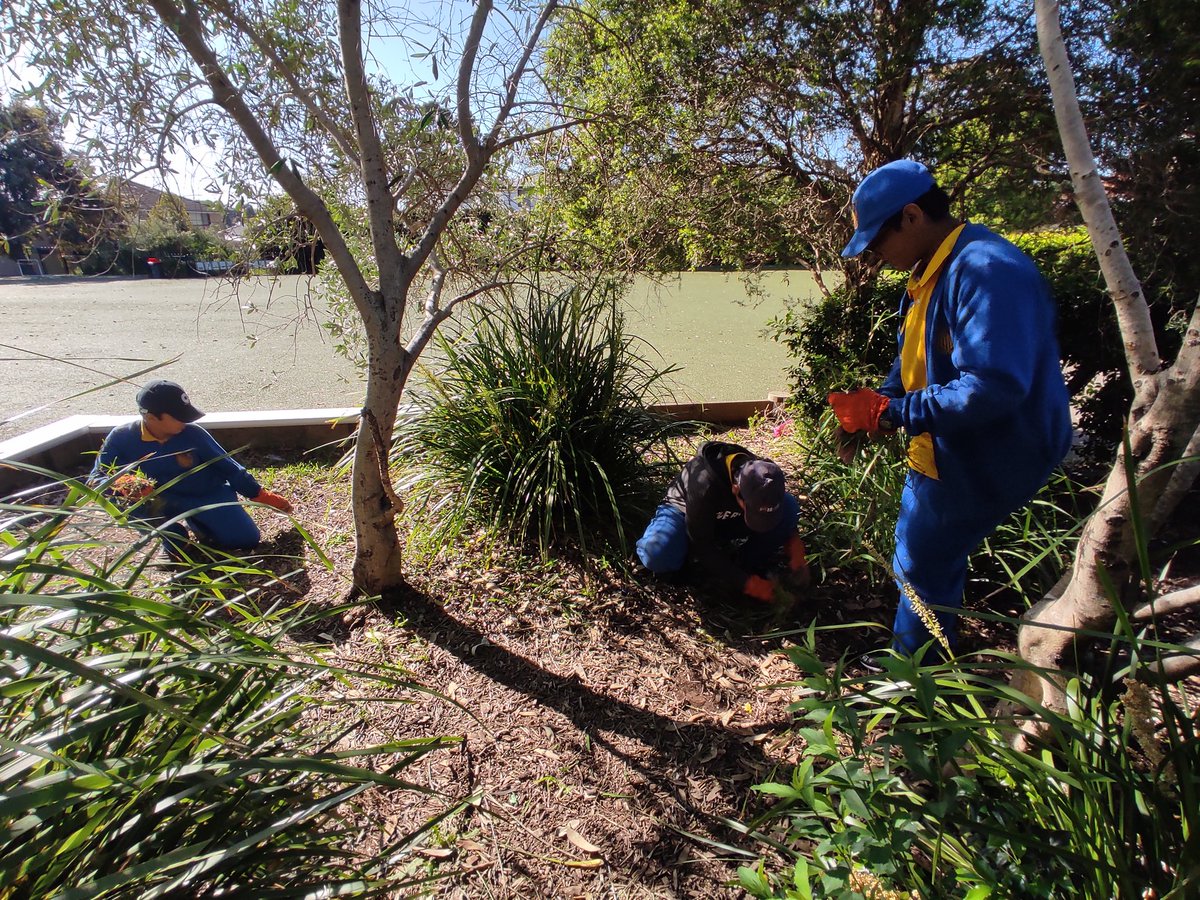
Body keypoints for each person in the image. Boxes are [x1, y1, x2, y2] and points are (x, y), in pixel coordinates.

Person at [830, 159, 1072, 660]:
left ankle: (914, 683)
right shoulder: (933, 268)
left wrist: (891, 415)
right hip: (948, 439)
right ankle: (921, 662)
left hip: (991, 448)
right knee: (923, 556)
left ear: (913, 215)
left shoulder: (986, 270)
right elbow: (914, 354)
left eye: (878, 241)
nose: (875, 254)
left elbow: (992, 387)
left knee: (922, 556)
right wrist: (881, 399)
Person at [90, 379, 293, 559]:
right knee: (124, 503)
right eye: (179, 416)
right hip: (162, 501)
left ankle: (201, 523)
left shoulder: (193, 434)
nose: (186, 421)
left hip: (206, 495)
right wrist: (124, 484)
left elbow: (229, 467)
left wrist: (258, 494)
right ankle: (172, 537)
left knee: (245, 539)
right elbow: (97, 478)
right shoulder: (121, 438)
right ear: (152, 418)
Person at [635, 440, 809, 603]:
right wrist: (747, 584)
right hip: (686, 516)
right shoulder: (703, 485)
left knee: (790, 507)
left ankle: (747, 561)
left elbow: (782, 508)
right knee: (658, 554)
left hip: (727, 519)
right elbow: (701, 543)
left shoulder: (764, 475)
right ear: (736, 489)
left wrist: (794, 544)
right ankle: (680, 559)